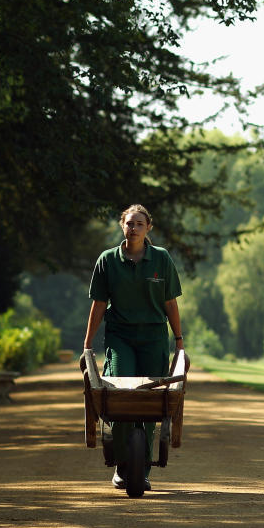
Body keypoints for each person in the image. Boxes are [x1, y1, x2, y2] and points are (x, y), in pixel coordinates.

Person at [83, 204, 183, 490]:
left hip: (153, 337)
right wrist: (88, 344)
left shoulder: (161, 259)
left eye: (140, 223)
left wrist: (179, 340)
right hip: (120, 337)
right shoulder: (107, 260)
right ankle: (122, 465)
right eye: (129, 223)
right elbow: (99, 304)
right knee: (121, 396)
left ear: (148, 228)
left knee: (152, 401)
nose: (134, 228)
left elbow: (170, 303)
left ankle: (143, 467)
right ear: (121, 226)